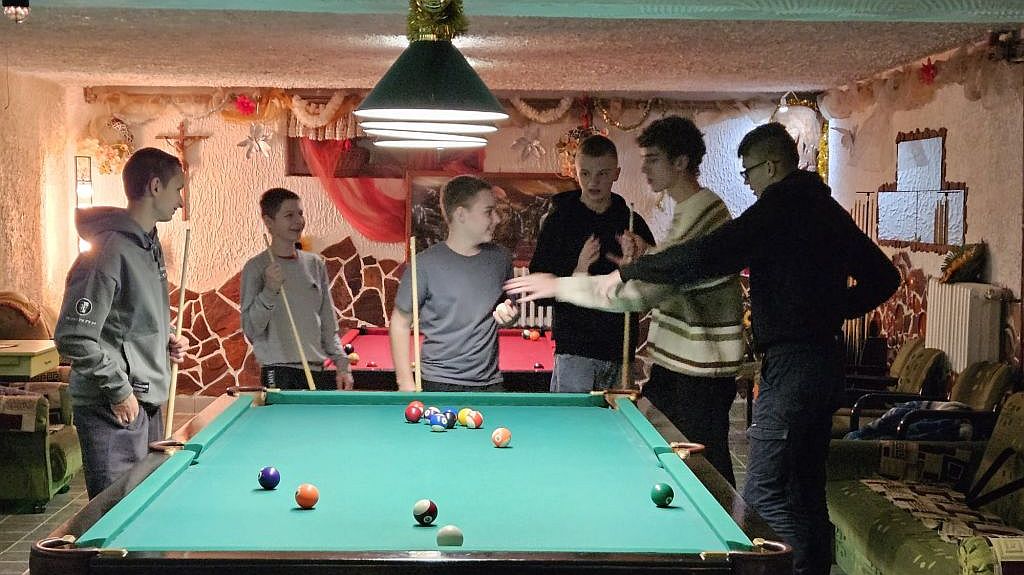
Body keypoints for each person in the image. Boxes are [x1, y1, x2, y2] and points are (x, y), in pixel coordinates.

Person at [591, 123, 900, 575]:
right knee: (805, 490)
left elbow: (707, 255)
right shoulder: (826, 208)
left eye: (748, 172)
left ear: (770, 166)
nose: (748, 182)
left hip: (792, 369)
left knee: (765, 495)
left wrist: (634, 270)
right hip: (824, 364)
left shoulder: (778, 208)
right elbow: (886, 278)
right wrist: (830, 312)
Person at [506, 116, 744, 484]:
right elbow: (669, 270)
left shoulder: (693, 215)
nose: (644, 169)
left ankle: (722, 519)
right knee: (614, 442)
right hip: (644, 362)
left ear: (680, 162)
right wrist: (646, 258)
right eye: (586, 173)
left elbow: (646, 291)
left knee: (699, 467)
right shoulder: (689, 212)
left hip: (692, 372)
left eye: (652, 159)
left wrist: (564, 284)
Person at [55, 147, 189, 499]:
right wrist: (119, 390)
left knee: (144, 508)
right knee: (116, 513)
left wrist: (164, 340)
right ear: (155, 186)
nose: (181, 200)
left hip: (142, 402)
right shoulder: (107, 252)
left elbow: (127, 320)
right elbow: (73, 336)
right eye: (178, 189)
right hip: (113, 409)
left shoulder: (147, 245)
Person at [528, 134, 655, 392]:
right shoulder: (558, 222)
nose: (593, 182)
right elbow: (538, 293)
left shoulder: (631, 221)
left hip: (620, 349)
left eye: (602, 174)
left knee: (617, 418)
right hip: (575, 350)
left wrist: (635, 264)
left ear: (616, 174)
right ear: (575, 172)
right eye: (585, 174)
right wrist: (578, 270)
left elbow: (652, 285)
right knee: (572, 418)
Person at [390, 175, 519, 392]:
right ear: (461, 215)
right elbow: (400, 323)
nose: (497, 219)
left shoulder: (501, 259)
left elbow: (509, 308)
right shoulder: (423, 264)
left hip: (490, 384)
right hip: (437, 383)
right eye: (488, 212)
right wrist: (405, 382)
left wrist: (510, 316)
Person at [241, 188, 353, 391]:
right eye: (289, 215)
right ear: (268, 222)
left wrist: (342, 364)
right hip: (278, 370)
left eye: (300, 214)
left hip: (316, 369)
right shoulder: (256, 267)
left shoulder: (315, 264)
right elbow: (251, 330)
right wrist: (269, 290)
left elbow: (328, 322)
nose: (299, 221)